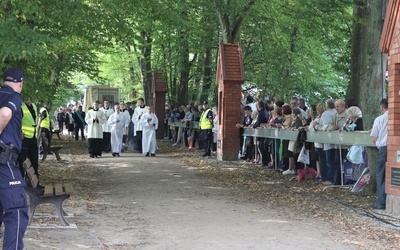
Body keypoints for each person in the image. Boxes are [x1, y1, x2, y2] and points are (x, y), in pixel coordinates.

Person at [0, 68, 29, 249]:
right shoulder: (15, 96)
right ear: (20, 83)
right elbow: (4, 114)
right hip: (5, 164)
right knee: (16, 211)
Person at [18, 97, 42, 188]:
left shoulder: (34, 106)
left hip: (33, 137)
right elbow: (17, 121)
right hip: (24, 139)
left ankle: (36, 184)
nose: (28, 99)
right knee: (22, 161)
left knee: (34, 161)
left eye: (29, 98)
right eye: (26, 97)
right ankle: (21, 184)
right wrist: (19, 131)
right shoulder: (21, 107)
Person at [370, 98, 388, 210]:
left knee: (381, 174)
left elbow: (374, 137)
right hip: (395, 148)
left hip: (383, 148)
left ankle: (381, 201)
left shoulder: (380, 119)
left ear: (382, 107)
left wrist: (378, 144)